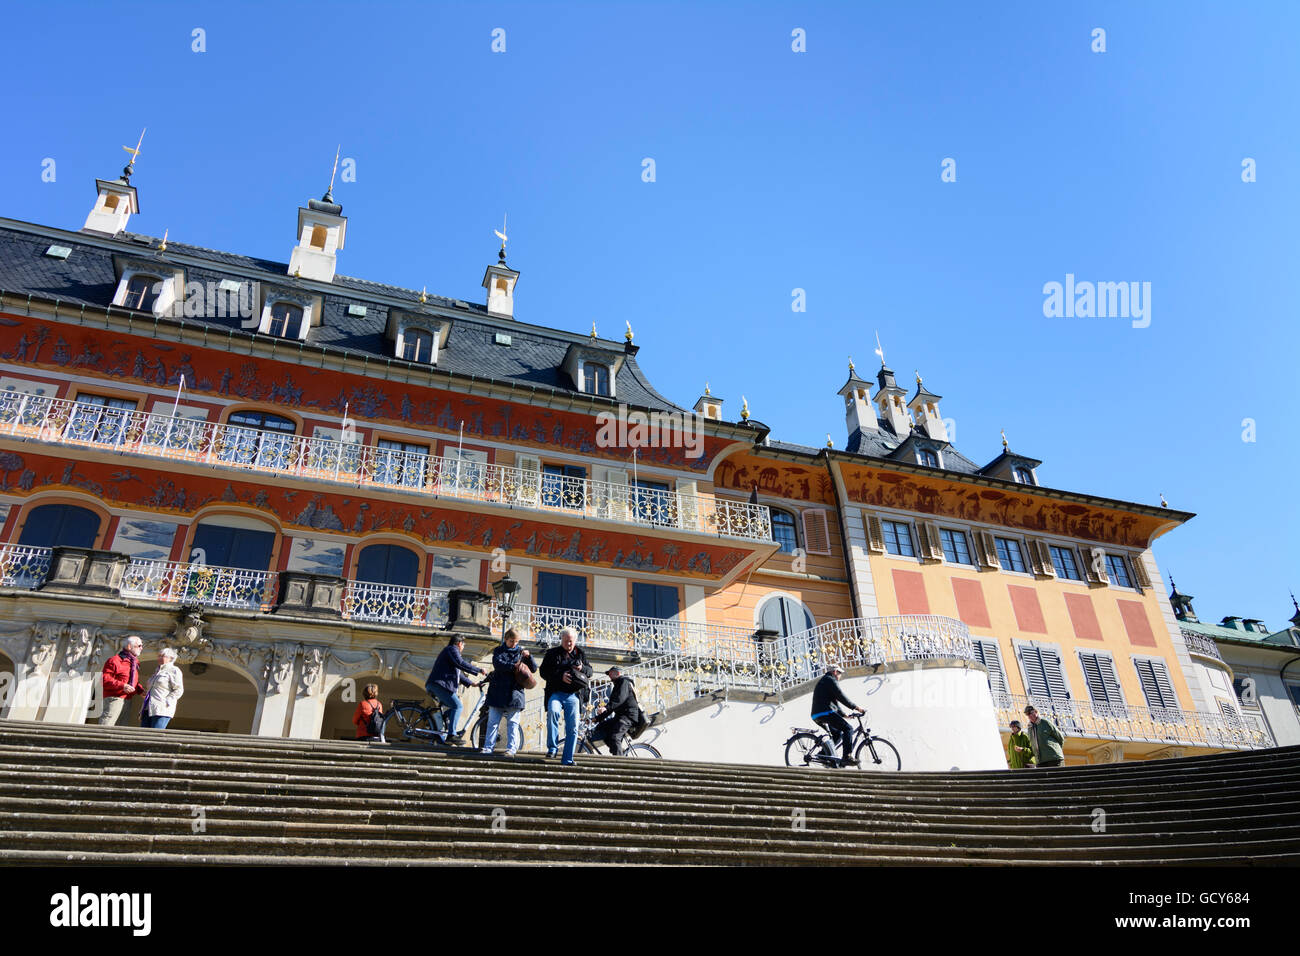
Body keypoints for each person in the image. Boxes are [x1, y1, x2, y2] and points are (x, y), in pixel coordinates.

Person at [539, 626, 592, 765]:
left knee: (573, 727)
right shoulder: (551, 653)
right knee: (553, 712)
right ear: (561, 639)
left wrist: (582, 668)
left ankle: (568, 758)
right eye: (566, 640)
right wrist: (560, 676)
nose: (569, 643)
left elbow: (590, 672)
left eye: (571, 641)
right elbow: (543, 672)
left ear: (575, 640)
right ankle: (552, 748)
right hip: (556, 693)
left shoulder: (581, 653)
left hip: (573, 696)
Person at [481, 629, 536, 757]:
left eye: (516, 642)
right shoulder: (499, 650)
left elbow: (533, 668)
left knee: (513, 723)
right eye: (512, 641)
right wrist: (515, 666)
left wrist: (530, 657)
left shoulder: (521, 652)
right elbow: (498, 664)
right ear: (506, 639)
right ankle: (488, 748)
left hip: (515, 694)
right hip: (498, 692)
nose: (514, 644)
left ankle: (511, 749)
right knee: (493, 722)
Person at [426, 634, 486, 743]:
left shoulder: (450, 652)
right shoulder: (452, 649)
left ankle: (439, 719)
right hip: (439, 685)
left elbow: (459, 674)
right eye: (463, 645)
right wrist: (478, 670)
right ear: (459, 643)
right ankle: (451, 735)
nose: (463, 647)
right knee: (458, 706)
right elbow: (461, 663)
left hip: (438, 685)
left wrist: (472, 683)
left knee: (455, 707)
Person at [810, 663, 863, 765]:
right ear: (834, 672)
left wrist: (844, 715)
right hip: (824, 713)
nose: (840, 676)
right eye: (839, 673)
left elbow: (834, 703)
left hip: (818, 714)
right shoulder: (830, 680)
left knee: (837, 734)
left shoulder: (826, 681)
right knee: (848, 729)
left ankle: (823, 755)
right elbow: (840, 696)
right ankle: (847, 756)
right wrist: (856, 708)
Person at [591, 666, 642, 756]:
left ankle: (619, 762)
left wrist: (606, 707)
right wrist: (596, 719)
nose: (609, 676)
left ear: (617, 673)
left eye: (610, 673)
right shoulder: (617, 686)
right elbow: (612, 706)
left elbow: (619, 700)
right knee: (602, 728)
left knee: (615, 737)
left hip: (628, 716)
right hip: (620, 716)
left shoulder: (624, 682)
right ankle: (619, 751)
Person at [99, 635, 144, 726]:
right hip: (115, 698)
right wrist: (122, 686)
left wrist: (141, 691)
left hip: (127, 699)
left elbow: (132, 681)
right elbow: (104, 679)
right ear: (129, 646)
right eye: (139, 645)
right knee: (107, 725)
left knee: (121, 726)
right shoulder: (115, 660)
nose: (141, 648)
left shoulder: (134, 663)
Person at [139, 647, 184, 729]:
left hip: (161, 709)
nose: (159, 658)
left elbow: (178, 689)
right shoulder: (156, 671)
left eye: (162, 656)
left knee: (155, 735)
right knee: (143, 735)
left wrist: (167, 701)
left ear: (171, 658)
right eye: (159, 656)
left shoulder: (174, 670)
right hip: (147, 708)